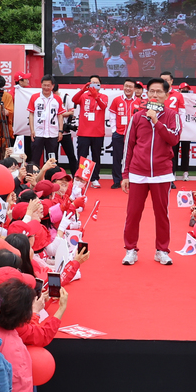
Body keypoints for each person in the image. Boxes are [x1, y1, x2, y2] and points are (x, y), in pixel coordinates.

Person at [120, 79, 180, 266]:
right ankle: (130, 249)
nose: (155, 95)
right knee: (133, 213)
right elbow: (129, 147)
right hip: (138, 172)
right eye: (151, 91)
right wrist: (125, 174)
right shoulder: (137, 117)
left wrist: (156, 121)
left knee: (162, 214)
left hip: (162, 173)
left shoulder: (172, 116)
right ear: (146, 94)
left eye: (159, 92)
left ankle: (161, 250)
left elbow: (174, 139)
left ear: (166, 95)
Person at [73, 77, 108, 186]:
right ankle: (80, 177)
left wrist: (95, 96)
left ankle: (94, 178)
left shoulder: (103, 96)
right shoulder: (84, 96)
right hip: (83, 132)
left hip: (98, 133)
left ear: (100, 85)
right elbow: (74, 100)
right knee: (82, 156)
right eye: (93, 83)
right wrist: (83, 90)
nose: (95, 85)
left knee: (96, 156)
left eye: (97, 83)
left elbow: (103, 106)